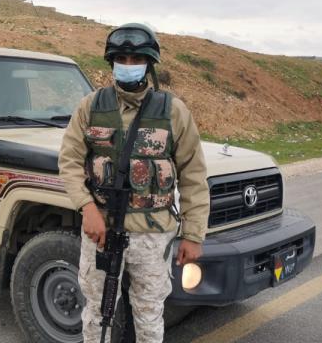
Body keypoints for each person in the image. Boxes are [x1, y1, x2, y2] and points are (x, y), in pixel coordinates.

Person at [58, 23, 210, 342]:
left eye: (136, 59)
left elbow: (193, 177)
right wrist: (87, 208)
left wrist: (193, 235)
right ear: (112, 62)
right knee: (96, 315)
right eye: (121, 59)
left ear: (149, 63)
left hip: (152, 235)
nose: (128, 65)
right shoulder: (91, 106)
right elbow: (69, 161)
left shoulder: (174, 112)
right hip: (101, 231)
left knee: (149, 316)